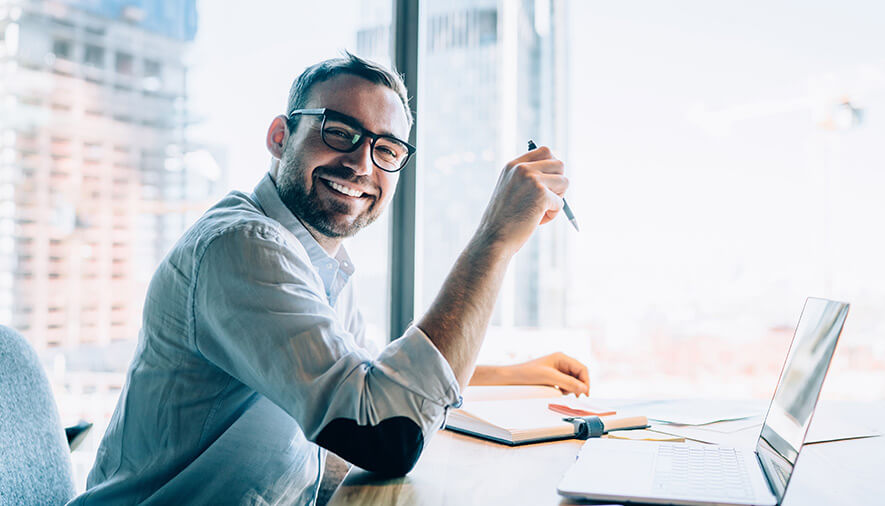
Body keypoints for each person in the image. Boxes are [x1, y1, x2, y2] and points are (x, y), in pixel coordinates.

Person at [68, 52, 587, 505]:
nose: (362, 162)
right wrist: (494, 238)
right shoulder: (245, 247)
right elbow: (385, 433)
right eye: (340, 131)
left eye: (386, 149)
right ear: (279, 136)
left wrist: (515, 372)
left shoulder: (314, 259)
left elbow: (366, 376)